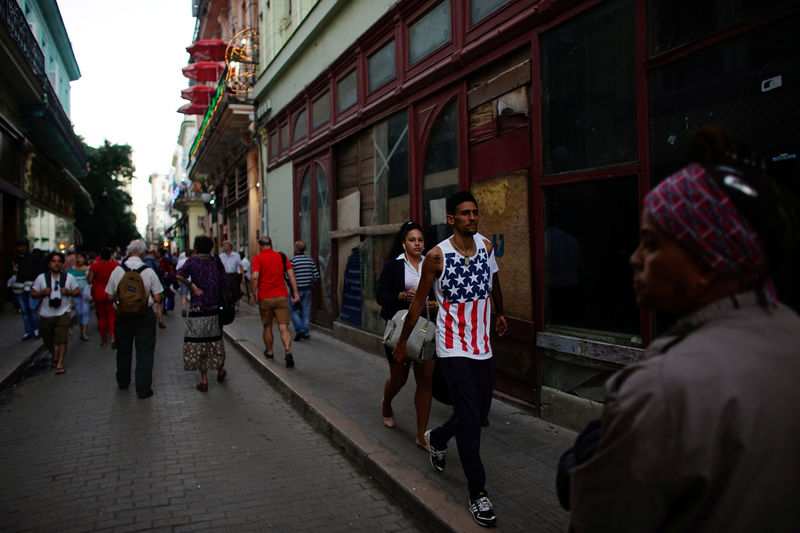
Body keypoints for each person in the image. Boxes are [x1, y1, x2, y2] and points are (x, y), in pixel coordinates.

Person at [563, 128, 800, 532]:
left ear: (709, 260)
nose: (636, 259)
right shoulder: (788, 331)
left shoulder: (661, 389)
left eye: (652, 244)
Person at [393, 191, 508, 528]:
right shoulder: (436, 257)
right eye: (465, 213)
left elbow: (494, 280)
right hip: (452, 346)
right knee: (472, 421)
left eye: (475, 212)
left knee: (478, 412)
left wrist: (500, 312)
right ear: (451, 219)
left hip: (482, 346)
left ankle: (439, 438)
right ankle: (478, 494)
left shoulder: (486, 246)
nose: (472, 217)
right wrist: (402, 342)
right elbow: (418, 304)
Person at [376, 222, 437, 450]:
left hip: (425, 331)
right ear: (404, 243)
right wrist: (403, 295)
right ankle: (387, 404)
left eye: (420, 240)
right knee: (399, 379)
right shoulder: (394, 266)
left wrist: (432, 303)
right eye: (412, 240)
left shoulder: (431, 264)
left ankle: (421, 435)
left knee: (425, 381)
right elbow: (381, 296)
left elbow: (440, 293)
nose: (417, 244)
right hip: (401, 331)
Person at [105, 239, 163, 399]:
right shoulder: (149, 271)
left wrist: (122, 300)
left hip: (123, 316)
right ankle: (143, 389)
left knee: (123, 350)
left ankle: (123, 381)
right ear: (143, 253)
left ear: (129, 251)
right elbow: (158, 297)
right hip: (144, 316)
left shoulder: (118, 270)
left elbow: (109, 296)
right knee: (144, 352)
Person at [175, 235, 229, 393]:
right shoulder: (215, 262)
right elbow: (225, 282)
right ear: (211, 247)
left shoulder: (192, 261)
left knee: (199, 343)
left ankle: (204, 380)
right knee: (215, 340)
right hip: (214, 307)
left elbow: (178, 274)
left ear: (196, 248)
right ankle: (220, 370)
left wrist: (192, 285)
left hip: (197, 308)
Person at [249, 236, 300, 368]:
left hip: (265, 297)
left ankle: (270, 352)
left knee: (267, 326)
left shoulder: (258, 258)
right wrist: (295, 293)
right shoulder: (281, 257)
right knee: (283, 326)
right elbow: (291, 275)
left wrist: (252, 293)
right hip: (281, 296)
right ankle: (287, 349)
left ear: (260, 246)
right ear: (271, 245)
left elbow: (254, 277)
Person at [30, 252, 80, 374]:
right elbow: (33, 293)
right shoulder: (41, 278)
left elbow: (77, 292)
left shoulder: (69, 278)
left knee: (62, 338)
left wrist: (68, 292)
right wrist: (42, 293)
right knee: (47, 338)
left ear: (62, 263)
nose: (56, 263)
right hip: (46, 313)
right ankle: (54, 353)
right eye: (53, 261)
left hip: (63, 312)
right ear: (49, 264)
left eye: (59, 261)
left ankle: (59, 363)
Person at [10, 239, 43, 340]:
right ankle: (28, 331)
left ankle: (36, 329)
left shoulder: (34, 258)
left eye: (23, 246)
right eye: (20, 246)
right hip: (19, 287)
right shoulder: (14, 259)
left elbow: (40, 271)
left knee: (33, 308)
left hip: (32, 286)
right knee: (24, 310)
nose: (22, 248)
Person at [289, 240, 320, 341]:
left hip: (296, 290)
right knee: (306, 311)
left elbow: (287, 275)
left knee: (294, 310)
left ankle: (299, 329)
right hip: (307, 289)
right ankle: (306, 332)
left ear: (296, 249)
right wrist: (309, 282)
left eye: (294, 246)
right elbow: (316, 276)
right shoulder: (310, 260)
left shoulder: (292, 261)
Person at [88, 247, 118, 347]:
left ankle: (104, 340)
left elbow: (90, 280)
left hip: (99, 293)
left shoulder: (95, 266)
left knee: (101, 317)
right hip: (111, 293)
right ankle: (113, 337)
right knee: (112, 316)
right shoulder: (115, 265)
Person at [68, 251, 91, 341]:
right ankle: (82, 328)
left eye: (81, 257)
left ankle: (84, 332)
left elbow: (90, 281)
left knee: (85, 311)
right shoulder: (71, 270)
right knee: (79, 312)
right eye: (77, 257)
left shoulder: (88, 269)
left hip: (85, 293)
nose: (79, 259)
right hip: (75, 293)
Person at [176, 249, 192, 317]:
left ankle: (184, 309)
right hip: (192, 280)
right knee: (193, 295)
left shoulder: (180, 261)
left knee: (184, 295)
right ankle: (192, 308)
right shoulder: (192, 261)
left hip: (183, 280)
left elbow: (177, 270)